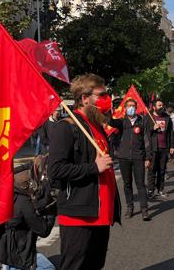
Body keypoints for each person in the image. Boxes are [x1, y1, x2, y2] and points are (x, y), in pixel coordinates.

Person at [48, 74, 121, 270]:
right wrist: (93, 168)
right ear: (84, 98)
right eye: (101, 95)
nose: (106, 99)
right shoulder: (67, 127)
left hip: (101, 214)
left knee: (94, 265)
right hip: (79, 215)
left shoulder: (97, 127)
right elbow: (55, 169)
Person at [0, 169, 56, 270]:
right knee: (49, 267)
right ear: (26, 187)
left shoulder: (2, 195)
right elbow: (43, 230)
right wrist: (51, 213)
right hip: (19, 256)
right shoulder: (23, 202)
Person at [108, 99, 150, 221]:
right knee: (127, 184)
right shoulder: (122, 122)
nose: (131, 108)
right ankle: (130, 208)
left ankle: (144, 210)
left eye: (133, 106)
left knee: (141, 184)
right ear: (125, 108)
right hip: (124, 158)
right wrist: (110, 110)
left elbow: (147, 140)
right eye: (128, 106)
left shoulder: (142, 121)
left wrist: (148, 157)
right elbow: (110, 121)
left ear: (136, 108)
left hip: (138, 158)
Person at [146, 99, 174, 198]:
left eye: (162, 105)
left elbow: (171, 133)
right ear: (154, 107)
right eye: (159, 105)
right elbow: (145, 134)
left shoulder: (167, 117)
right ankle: (150, 190)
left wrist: (171, 146)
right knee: (152, 170)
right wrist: (152, 128)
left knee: (162, 170)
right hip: (153, 149)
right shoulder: (149, 118)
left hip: (164, 148)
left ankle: (160, 189)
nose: (161, 107)